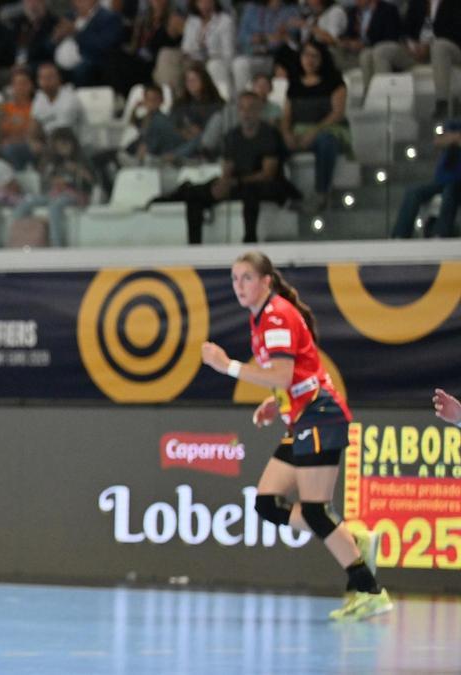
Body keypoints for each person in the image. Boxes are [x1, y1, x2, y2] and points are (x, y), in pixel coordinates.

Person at [201, 251, 392, 622]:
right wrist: (276, 403)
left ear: (266, 282)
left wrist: (228, 367)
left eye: (247, 278)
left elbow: (283, 375)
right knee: (267, 504)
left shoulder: (275, 316)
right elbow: (290, 376)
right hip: (303, 415)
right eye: (234, 279)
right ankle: (350, 537)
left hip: (320, 416)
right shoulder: (261, 318)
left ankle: (370, 590)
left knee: (317, 510)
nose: (239, 286)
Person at [165, 92, 298, 243]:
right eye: (242, 109)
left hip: (267, 186)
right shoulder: (232, 136)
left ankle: (250, 240)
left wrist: (238, 181)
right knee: (195, 193)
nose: (246, 113)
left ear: (259, 110)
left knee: (250, 192)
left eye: (251, 108)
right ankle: (194, 245)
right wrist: (222, 183)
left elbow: (268, 173)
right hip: (237, 183)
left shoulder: (269, 134)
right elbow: (228, 166)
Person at [282, 40, 347, 214]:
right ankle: (286, 193)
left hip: (327, 129)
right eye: (306, 55)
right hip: (298, 131)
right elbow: (287, 116)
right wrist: (287, 134)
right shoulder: (294, 84)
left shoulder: (335, 82)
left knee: (326, 141)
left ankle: (321, 192)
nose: (309, 60)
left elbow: (337, 114)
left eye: (314, 56)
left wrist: (313, 132)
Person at [390, 120, 461, 238]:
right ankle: (400, 235)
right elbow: (439, 140)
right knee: (413, 192)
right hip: (442, 181)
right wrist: (455, 138)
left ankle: (441, 234)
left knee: (450, 191)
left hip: (457, 183)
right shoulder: (455, 124)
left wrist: (453, 138)